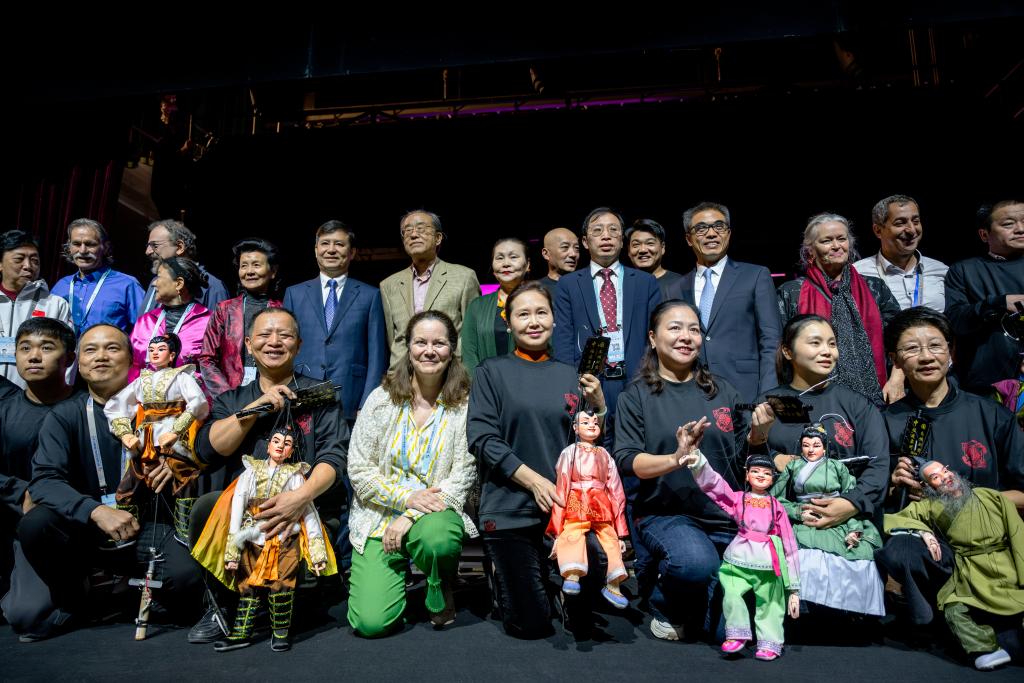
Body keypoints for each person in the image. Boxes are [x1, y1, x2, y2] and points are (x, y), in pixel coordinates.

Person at [17, 324, 204, 636]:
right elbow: (45, 480)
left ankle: (123, 596)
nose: (101, 356)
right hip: (87, 527)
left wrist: (179, 461)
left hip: (146, 524)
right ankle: (80, 600)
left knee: (186, 578)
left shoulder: (164, 410)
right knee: (36, 524)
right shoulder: (64, 415)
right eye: (90, 350)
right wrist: (95, 510)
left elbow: (206, 451)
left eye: (112, 348)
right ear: (78, 362)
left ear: (132, 360)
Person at [185, 307, 349, 644]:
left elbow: (335, 457)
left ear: (298, 345)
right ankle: (224, 606)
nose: (274, 342)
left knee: (302, 606)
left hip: (304, 512)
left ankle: (297, 598)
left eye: (284, 336)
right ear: (248, 344)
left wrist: (299, 498)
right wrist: (256, 409)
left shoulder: (319, 396)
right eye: (264, 335)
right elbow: (208, 449)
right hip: (247, 516)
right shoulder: (233, 399)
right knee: (206, 507)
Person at [468, 282, 606, 639]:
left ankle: (556, 586)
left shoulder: (572, 376)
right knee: (530, 625)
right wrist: (534, 481)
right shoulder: (490, 371)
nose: (533, 322)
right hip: (509, 508)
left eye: (541, 312)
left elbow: (591, 447)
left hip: (565, 511)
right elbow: (481, 438)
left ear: (554, 320)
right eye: (523, 314)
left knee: (598, 568)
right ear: (509, 324)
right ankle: (508, 579)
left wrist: (600, 407)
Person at [613, 300, 757, 642]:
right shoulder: (635, 396)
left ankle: (697, 599)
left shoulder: (723, 390)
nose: (686, 336)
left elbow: (742, 455)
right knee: (694, 564)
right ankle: (662, 599)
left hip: (723, 515)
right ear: (653, 337)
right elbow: (628, 461)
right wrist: (676, 457)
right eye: (675, 328)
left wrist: (760, 434)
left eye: (693, 329)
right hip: (666, 513)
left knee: (729, 631)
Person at [877, 307, 1023, 627]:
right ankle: (932, 617)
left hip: (988, 540)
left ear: (950, 352)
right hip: (929, 543)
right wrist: (891, 484)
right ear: (895, 360)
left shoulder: (991, 415)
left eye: (935, 345)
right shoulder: (885, 422)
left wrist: (971, 499)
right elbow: (871, 499)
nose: (926, 356)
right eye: (912, 348)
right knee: (901, 549)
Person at [346, 310, 477, 637]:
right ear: (408, 347)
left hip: (433, 514)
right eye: (421, 342)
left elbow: (464, 474)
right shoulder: (381, 399)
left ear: (452, 349)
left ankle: (439, 579)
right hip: (378, 517)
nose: (429, 351)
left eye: (439, 343)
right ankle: (395, 582)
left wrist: (411, 513)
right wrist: (405, 498)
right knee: (371, 623)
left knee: (438, 541)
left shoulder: (465, 405)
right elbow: (359, 469)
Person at [754, 314, 890, 606]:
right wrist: (772, 456)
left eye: (832, 343)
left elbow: (878, 467)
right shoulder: (767, 404)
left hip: (847, 521)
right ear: (787, 351)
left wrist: (850, 503)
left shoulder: (859, 406)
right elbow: (747, 461)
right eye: (815, 343)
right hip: (785, 522)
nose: (827, 351)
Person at [192, 425, 337, 652]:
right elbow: (238, 505)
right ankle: (242, 631)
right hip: (253, 537)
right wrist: (233, 547)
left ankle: (280, 632)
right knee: (247, 584)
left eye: (286, 444)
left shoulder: (295, 476)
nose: (280, 446)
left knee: (282, 585)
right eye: (276, 441)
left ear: (291, 451)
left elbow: (308, 511)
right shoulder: (250, 472)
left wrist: (317, 550)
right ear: (268, 445)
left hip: (284, 538)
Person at [884, 461, 1023, 671]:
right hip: (971, 571)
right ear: (927, 486)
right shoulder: (932, 506)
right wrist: (923, 532)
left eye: (945, 470)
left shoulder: (990, 496)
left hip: (1005, 566)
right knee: (952, 607)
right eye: (936, 477)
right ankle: (984, 649)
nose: (945, 477)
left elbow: (1018, 535)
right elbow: (897, 519)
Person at [554, 207, 661, 445]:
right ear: (585, 241)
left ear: (622, 241)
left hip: (637, 379)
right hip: (589, 383)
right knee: (593, 449)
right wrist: (573, 384)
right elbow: (563, 340)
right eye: (597, 231)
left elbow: (655, 336)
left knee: (637, 447)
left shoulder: (645, 282)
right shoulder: (568, 285)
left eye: (613, 230)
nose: (606, 236)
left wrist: (651, 377)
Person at [681, 449, 800, 661]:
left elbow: (789, 544)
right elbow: (717, 487)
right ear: (747, 475)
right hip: (738, 559)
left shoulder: (777, 507)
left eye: (766, 472)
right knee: (732, 593)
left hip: (767, 562)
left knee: (771, 603)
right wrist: (699, 463)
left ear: (773, 478)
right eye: (755, 471)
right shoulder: (739, 499)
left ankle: (770, 642)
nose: (761, 475)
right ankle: (737, 633)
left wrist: (793, 589)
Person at [777, 213, 903, 406]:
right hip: (816, 401)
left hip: (879, 397)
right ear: (810, 251)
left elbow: (902, 338)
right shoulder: (791, 293)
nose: (836, 246)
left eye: (841, 239)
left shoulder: (875, 288)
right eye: (826, 241)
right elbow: (780, 350)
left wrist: (897, 378)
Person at [0, 318, 75, 639]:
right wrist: (20, 493)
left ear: (68, 358)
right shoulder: (5, 408)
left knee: (27, 617)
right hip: (10, 512)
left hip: (54, 525)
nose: (33, 356)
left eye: (46, 348)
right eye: (25, 348)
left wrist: (46, 495)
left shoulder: (83, 406)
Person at [668, 202, 782, 403]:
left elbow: (771, 340)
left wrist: (768, 395)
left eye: (719, 226)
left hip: (746, 394)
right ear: (688, 239)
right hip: (692, 395)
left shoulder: (755, 276)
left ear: (728, 234)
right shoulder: (675, 288)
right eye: (701, 228)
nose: (711, 234)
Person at [768, 423, 885, 616]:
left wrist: (853, 528)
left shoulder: (837, 467)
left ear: (824, 448)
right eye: (806, 445)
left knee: (857, 556)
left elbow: (851, 497)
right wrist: (797, 511)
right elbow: (775, 500)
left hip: (840, 518)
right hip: (806, 519)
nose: (811, 450)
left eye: (816, 445)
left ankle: (848, 611)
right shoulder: (793, 466)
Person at [104, 332, 209, 541]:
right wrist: (125, 433)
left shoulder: (181, 377)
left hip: (173, 437)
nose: (154, 353)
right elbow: (116, 405)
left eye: (161, 349)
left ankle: (185, 527)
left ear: (172, 355)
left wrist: (176, 430)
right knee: (132, 478)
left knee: (184, 476)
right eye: (151, 350)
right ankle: (124, 527)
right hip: (146, 437)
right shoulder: (142, 380)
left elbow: (198, 403)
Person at [283, 220, 386, 421]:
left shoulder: (370, 295)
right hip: (302, 394)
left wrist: (367, 403)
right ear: (316, 250)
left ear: (352, 252)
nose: (331, 250)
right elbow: (285, 347)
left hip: (351, 397)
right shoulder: (294, 294)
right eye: (325, 243)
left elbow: (377, 355)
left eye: (339, 244)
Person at [547, 410, 629, 608]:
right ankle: (572, 574)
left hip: (601, 504)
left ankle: (613, 584)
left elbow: (616, 489)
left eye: (595, 422)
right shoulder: (570, 452)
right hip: (577, 501)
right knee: (572, 532)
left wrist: (621, 533)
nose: (592, 425)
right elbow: (562, 485)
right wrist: (556, 530)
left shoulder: (605, 454)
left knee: (610, 539)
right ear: (575, 428)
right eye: (585, 422)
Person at [379, 210, 479, 368]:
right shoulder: (388, 285)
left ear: (438, 238)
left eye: (421, 228)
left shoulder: (464, 277)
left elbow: (472, 335)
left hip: (450, 371)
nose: (413, 235)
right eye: (407, 231)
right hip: (404, 374)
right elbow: (393, 338)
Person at [943, 199, 1024, 394]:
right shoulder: (964, 270)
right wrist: (999, 302)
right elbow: (956, 321)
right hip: (985, 386)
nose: (1020, 229)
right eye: (1008, 224)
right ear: (984, 234)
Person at [198, 238, 283, 398]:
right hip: (231, 396)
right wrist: (228, 397)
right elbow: (207, 359)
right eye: (244, 266)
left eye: (256, 265)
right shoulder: (224, 310)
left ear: (273, 271)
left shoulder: (283, 310)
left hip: (272, 395)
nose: (249, 271)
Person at [0, 230, 72, 387]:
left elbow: (66, 356)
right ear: (0, 264)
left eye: (34, 260)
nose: (28, 266)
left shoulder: (55, 304)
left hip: (36, 396)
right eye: (19, 259)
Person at [852, 195, 948, 312]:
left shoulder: (942, 271)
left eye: (916, 221)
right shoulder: (857, 273)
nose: (912, 230)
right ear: (878, 230)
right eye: (900, 223)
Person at [51, 218, 145, 336]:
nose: (82, 250)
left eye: (90, 244)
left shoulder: (127, 285)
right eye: (76, 244)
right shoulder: (60, 286)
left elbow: (145, 332)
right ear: (69, 247)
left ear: (106, 247)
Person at [129, 256, 211, 381]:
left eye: (159, 277)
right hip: (143, 392)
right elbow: (131, 364)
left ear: (179, 283)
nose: (154, 283)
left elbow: (216, 370)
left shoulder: (208, 322)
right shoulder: (145, 321)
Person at [461, 237, 530, 374]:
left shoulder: (541, 303)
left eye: (513, 257)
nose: (506, 264)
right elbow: (469, 353)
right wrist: (480, 383)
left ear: (528, 265)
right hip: (487, 383)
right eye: (499, 258)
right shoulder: (477, 306)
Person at [140, 219, 229, 313]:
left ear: (179, 247)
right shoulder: (156, 282)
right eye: (148, 246)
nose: (147, 252)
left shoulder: (212, 287)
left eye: (155, 245)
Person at [626, 218, 683, 299]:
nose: (643, 250)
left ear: (662, 247)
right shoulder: (621, 284)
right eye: (636, 244)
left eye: (650, 243)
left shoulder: (680, 283)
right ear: (629, 251)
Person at [538, 227, 579, 295]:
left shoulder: (586, 285)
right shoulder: (537, 290)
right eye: (565, 247)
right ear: (546, 254)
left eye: (577, 248)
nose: (573, 254)